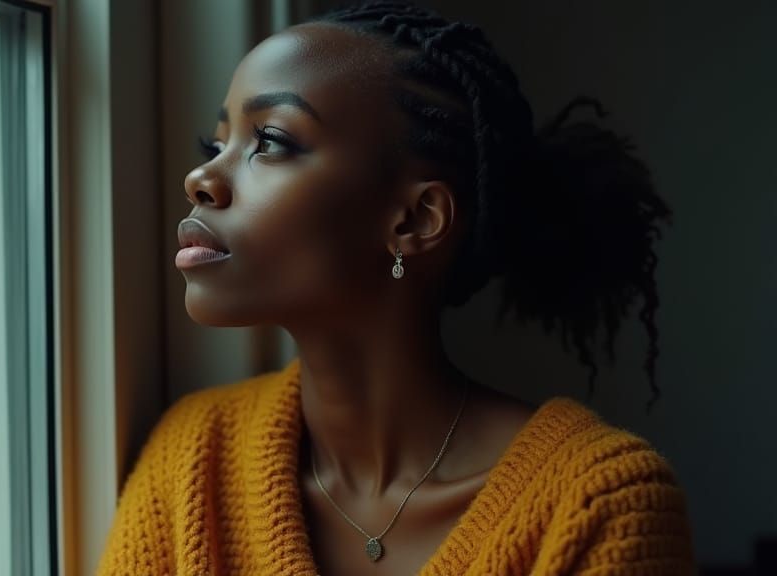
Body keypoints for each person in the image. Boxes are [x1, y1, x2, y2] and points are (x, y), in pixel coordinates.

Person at [96, 1, 695, 574]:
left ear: (414, 220)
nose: (200, 178)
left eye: (270, 141)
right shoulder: (192, 458)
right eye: (216, 143)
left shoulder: (600, 503)